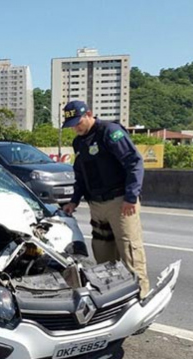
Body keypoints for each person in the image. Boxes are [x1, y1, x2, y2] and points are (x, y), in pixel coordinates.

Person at [61, 100, 150, 299]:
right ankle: (113, 297)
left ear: (89, 114)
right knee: (103, 254)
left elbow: (134, 162)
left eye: (78, 122)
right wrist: (74, 201)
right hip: (97, 204)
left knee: (130, 251)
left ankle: (140, 298)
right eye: (72, 125)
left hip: (120, 202)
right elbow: (81, 175)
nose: (75, 128)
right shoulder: (79, 143)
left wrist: (131, 196)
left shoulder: (110, 132)